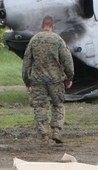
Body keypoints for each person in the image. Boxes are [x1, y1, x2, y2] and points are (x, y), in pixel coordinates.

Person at [22, 15, 74, 145]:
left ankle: (44, 136)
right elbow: (68, 61)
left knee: (40, 107)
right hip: (56, 80)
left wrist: (27, 81)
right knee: (58, 105)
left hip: (38, 81)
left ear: (42, 25)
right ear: (52, 25)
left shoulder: (34, 40)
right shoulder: (58, 40)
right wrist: (69, 77)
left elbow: (26, 64)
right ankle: (56, 130)